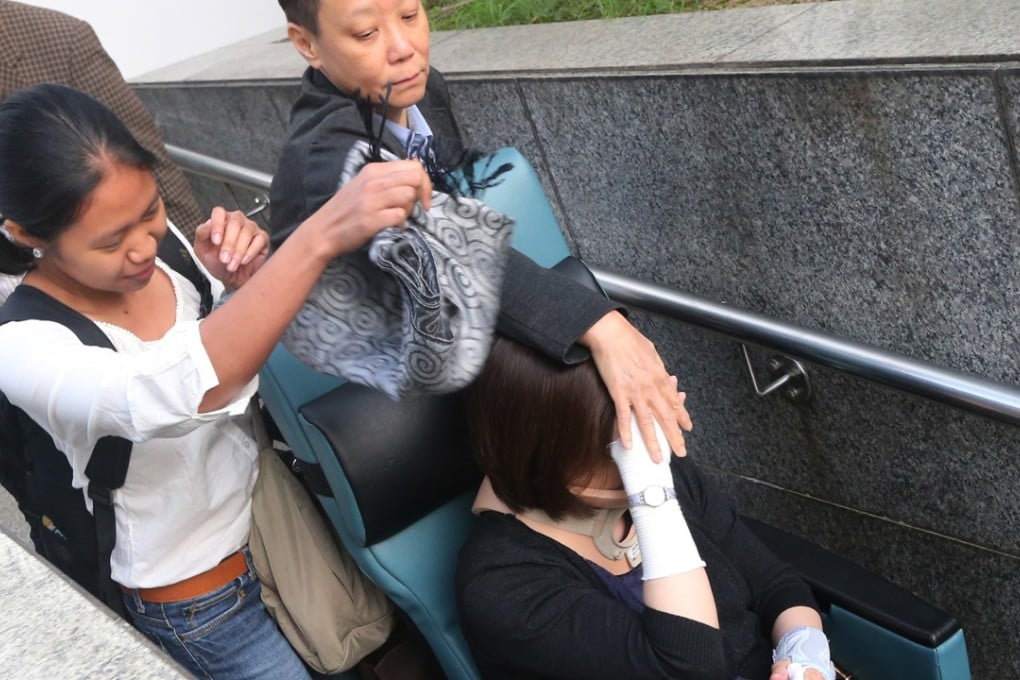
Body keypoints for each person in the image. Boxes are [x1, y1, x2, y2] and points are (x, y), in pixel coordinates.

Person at [0, 83, 432, 679]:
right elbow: (171, 392)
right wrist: (314, 238)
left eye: (150, 211)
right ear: (26, 235)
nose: (143, 246)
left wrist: (232, 282)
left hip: (277, 523)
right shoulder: (22, 342)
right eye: (109, 240)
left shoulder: (166, 249)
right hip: (201, 603)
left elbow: (215, 343)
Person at [271, 0, 692, 461]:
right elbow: (452, 254)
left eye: (410, 16)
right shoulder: (329, 156)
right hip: (374, 367)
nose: (404, 48)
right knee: (592, 378)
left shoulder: (417, 87)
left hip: (437, 309)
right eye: (367, 34)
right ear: (306, 43)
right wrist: (603, 327)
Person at [456, 337, 836, 680]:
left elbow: (775, 585)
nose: (651, 441)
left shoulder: (663, 477)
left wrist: (804, 655)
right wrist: (651, 493)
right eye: (626, 439)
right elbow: (692, 667)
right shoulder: (503, 584)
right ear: (548, 454)